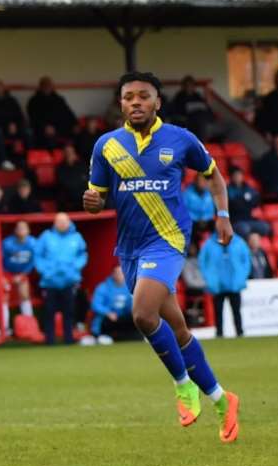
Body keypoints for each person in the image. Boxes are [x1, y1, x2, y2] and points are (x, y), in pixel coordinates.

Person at [83, 70, 239, 442]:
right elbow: (97, 198)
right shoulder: (106, 145)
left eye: (143, 96)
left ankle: (183, 385)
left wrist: (223, 215)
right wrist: (91, 203)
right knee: (179, 329)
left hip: (168, 239)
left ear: (157, 102)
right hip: (131, 247)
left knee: (142, 313)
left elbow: (214, 177)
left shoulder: (180, 139)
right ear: (120, 103)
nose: (135, 103)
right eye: (128, 97)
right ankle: (222, 399)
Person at [34, 213, 88, 345]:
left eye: (64, 221)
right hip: (50, 281)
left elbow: (83, 255)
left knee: (69, 312)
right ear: (55, 223)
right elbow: (37, 255)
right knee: (49, 312)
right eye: (59, 221)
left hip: (69, 281)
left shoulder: (76, 237)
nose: (62, 224)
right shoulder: (46, 237)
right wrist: (45, 271)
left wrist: (75, 268)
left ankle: (69, 339)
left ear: (69, 222)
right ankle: (49, 340)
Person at [199, 232, 251, 338]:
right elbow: (202, 262)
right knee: (218, 311)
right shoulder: (209, 244)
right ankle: (219, 333)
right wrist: (209, 278)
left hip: (234, 284)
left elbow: (246, 260)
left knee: (236, 311)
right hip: (217, 285)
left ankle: (239, 332)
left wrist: (242, 276)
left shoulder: (239, 242)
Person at [2, 221, 37, 318]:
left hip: (22, 273)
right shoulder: (7, 243)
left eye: (24, 228)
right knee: (4, 297)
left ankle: (28, 322)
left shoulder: (33, 243)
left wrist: (23, 274)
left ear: (28, 230)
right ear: (15, 230)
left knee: (24, 294)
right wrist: (2, 276)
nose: (21, 230)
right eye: (19, 228)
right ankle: (4, 328)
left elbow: (33, 261)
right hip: (7, 273)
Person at [90, 266, 135, 340]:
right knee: (106, 320)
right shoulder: (103, 287)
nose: (121, 275)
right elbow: (95, 305)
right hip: (107, 320)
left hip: (123, 319)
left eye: (123, 273)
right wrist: (108, 313)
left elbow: (132, 305)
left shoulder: (129, 288)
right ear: (113, 274)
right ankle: (101, 336)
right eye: (118, 273)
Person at [225, 167, 270, 239]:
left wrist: (242, 201)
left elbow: (256, 200)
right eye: (236, 175)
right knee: (244, 229)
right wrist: (246, 201)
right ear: (231, 177)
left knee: (265, 227)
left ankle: (255, 244)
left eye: (239, 175)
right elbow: (233, 205)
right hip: (236, 221)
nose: (238, 177)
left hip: (249, 219)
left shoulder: (247, 187)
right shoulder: (228, 189)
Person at [169, 75, 215, 140]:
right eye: (187, 85)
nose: (189, 87)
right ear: (183, 86)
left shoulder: (197, 95)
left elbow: (204, 105)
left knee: (203, 119)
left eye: (191, 85)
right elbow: (177, 109)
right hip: (186, 118)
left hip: (199, 117)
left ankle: (202, 142)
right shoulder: (179, 96)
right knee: (198, 122)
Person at [55, 145, 89, 210]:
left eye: (71, 153)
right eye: (67, 153)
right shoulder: (60, 168)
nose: (69, 155)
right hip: (68, 199)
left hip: (82, 198)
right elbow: (64, 184)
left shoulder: (82, 166)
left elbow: (86, 181)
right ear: (64, 154)